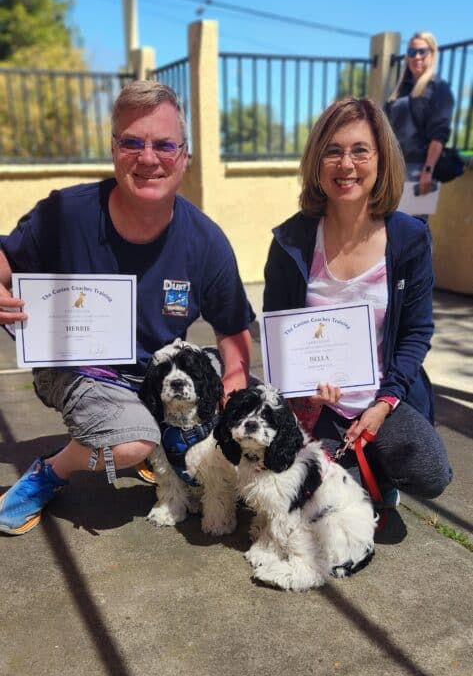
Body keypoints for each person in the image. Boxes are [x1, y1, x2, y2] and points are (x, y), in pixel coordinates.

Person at [0, 81, 255, 535]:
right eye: (132, 142)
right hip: (81, 368)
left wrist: (234, 386)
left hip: (154, 373)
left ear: (185, 155)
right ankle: (52, 472)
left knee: (255, 405)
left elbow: (234, 334)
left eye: (164, 144)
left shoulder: (206, 241)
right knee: (134, 441)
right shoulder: (65, 213)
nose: (149, 158)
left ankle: (156, 441)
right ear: (114, 149)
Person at [262, 95, 452, 508]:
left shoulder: (410, 240)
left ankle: (377, 466)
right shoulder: (290, 242)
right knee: (325, 502)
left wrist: (384, 403)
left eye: (360, 151)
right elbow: (277, 336)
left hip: (383, 398)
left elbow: (417, 332)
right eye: (333, 151)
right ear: (316, 162)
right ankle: (358, 474)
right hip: (319, 406)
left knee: (432, 473)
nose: (346, 165)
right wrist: (304, 395)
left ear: (381, 159)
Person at [384, 32, 454, 196]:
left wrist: (428, 170)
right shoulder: (401, 90)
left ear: (432, 53)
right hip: (393, 167)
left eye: (422, 51)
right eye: (412, 52)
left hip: (417, 169)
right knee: (386, 220)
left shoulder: (438, 89)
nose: (417, 57)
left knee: (413, 221)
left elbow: (439, 134)